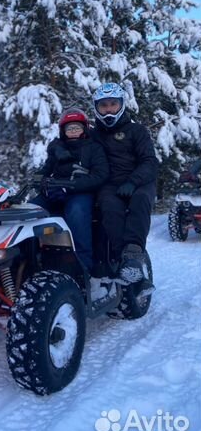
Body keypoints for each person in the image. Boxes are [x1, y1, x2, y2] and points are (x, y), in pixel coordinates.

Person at [91, 83, 158, 286]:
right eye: (104, 106)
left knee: (140, 200)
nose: (109, 109)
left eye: (113, 104)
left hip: (139, 181)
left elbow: (150, 161)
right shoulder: (93, 135)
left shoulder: (137, 131)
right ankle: (124, 260)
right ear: (97, 108)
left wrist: (133, 181)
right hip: (110, 184)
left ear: (121, 105)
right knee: (109, 206)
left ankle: (134, 253)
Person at [32, 108, 109, 274]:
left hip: (81, 191)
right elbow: (45, 170)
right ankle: (29, 259)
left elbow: (100, 175)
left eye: (77, 128)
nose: (73, 131)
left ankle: (84, 266)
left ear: (85, 129)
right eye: (69, 128)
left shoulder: (93, 148)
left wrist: (71, 186)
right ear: (63, 131)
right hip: (55, 192)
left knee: (77, 212)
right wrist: (41, 183)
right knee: (31, 210)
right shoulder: (57, 148)